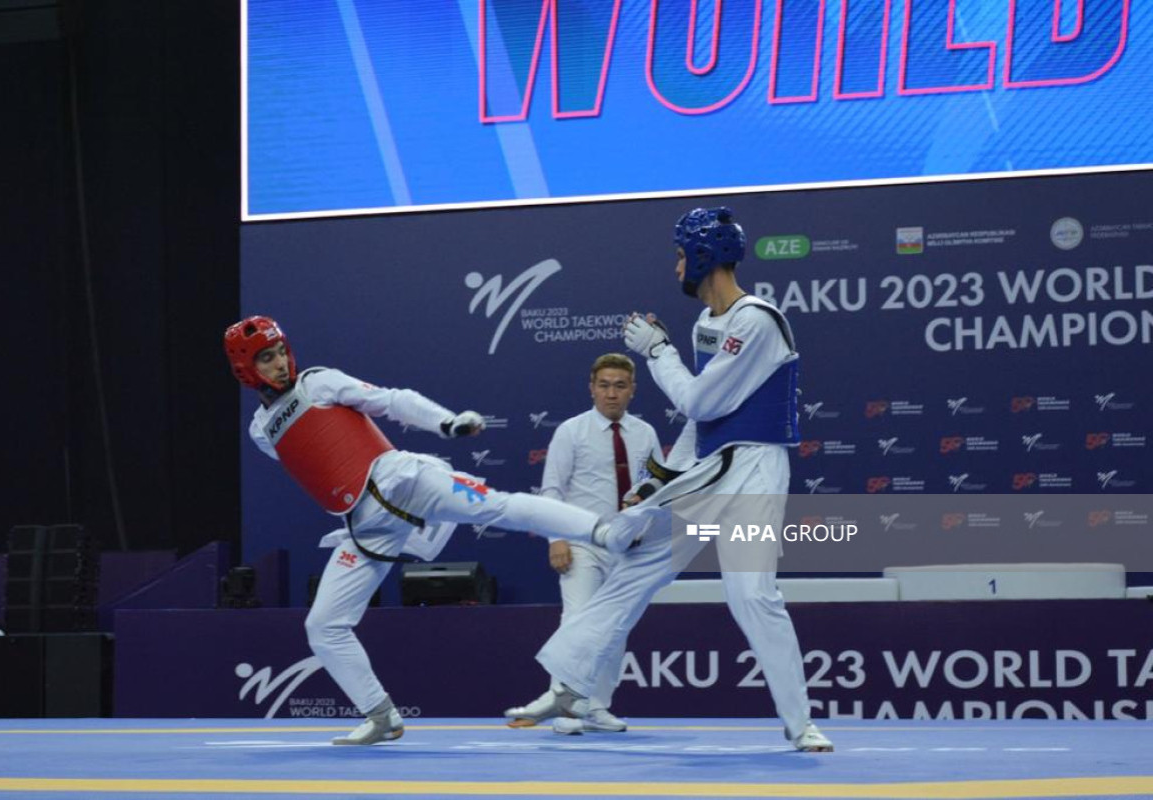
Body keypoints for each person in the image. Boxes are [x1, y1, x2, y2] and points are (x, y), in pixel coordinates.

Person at [506, 207, 833, 752]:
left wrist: (658, 351)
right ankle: (569, 685)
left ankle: (800, 723)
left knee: (752, 594)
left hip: (753, 472)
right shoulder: (707, 324)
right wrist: (656, 480)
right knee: (634, 569)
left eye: (681, 254)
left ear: (704, 255)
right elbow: (702, 420)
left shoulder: (759, 319)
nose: (676, 265)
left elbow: (697, 397)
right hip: (707, 470)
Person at [224, 316, 612, 746]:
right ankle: (381, 716)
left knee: (499, 507)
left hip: (404, 483)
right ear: (245, 369)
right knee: (324, 625)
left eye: (280, 352)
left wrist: (447, 423)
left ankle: (599, 529)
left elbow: (392, 400)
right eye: (266, 358)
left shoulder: (318, 382)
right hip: (365, 529)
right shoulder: (261, 431)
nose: (280, 363)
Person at [504, 354, 660, 733]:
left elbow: (657, 488)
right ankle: (564, 704)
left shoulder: (646, 434)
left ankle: (595, 707)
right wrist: (556, 538)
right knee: (577, 621)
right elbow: (552, 488)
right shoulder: (571, 432)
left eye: (620, 386)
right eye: (604, 385)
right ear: (591, 388)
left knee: (616, 627)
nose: (611, 393)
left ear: (632, 391)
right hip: (582, 541)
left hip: (629, 547)